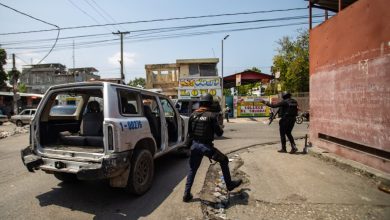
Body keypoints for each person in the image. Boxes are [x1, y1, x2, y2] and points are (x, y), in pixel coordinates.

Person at [183, 93, 242, 202]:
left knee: (192, 170)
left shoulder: (193, 115)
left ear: (200, 103)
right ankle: (229, 185)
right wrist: (218, 123)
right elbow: (219, 133)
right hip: (206, 147)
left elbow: (190, 134)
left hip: (195, 146)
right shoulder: (211, 116)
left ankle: (186, 195)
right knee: (224, 160)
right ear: (210, 104)